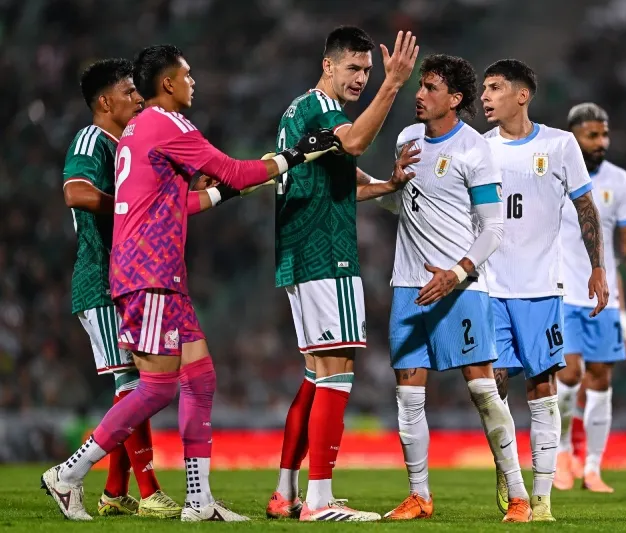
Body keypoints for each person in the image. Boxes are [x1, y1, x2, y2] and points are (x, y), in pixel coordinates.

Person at [41, 44, 338, 522]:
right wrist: (294, 156)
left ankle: (198, 501)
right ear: (168, 84)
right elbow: (235, 170)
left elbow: (181, 204)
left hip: (158, 274)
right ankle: (69, 474)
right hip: (149, 273)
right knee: (156, 388)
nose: (194, 82)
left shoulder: (137, 132)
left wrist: (234, 185)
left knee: (200, 379)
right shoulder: (167, 122)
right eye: (188, 74)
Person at [267, 26, 418, 522]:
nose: (361, 79)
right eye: (353, 69)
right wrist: (393, 85)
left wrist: (387, 185)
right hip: (324, 253)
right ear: (328, 65)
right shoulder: (325, 111)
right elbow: (353, 143)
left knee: (315, 374)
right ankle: (319, 501)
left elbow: (342, 180)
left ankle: (285, 493)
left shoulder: (298, 110)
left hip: (298, 252)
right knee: (338, 371)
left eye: (368, 72)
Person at [377, 54, 529, 523]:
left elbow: (494, 228)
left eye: (429, 88)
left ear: (455, 99)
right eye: (419, 86)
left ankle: (519, 495)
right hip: (408, 284)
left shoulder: (473, 151)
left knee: (483, 390)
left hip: (460, 288)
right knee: (407, 394)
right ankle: (419, 495)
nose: (418, 95)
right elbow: (397, 209)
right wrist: (392, 185)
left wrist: (457, 271)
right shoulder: (407, 139)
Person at [481, 60, 609, 521]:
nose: (484, 96)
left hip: (541, 289)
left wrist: (597, 268)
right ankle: (509, 474)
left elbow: (584, 206)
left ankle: (541, 499)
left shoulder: (560, 144)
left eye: (494, 88)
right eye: (483, 89)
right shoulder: (478, 148)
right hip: (489, 286)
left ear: (522, 95)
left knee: (541, 386)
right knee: (490, 387)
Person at [62, 57, 182, 519]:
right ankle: (148, 491)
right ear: (105, 101)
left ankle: (115, 492)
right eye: (130, 92)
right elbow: (75, 192)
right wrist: (128, 206)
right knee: (135, 385)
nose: (138, 99)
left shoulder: (127, 143)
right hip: (100, 278)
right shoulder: (92, 139)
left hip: (124, 279)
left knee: (130, 384)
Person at [554, 103, 626, 493]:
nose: (602, 142)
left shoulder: (619, 181)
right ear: (573, 136)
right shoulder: (554, 175)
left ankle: (592, 467)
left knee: (601, 380)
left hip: (604, 300)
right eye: (593, 135)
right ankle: (561, 454)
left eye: (604, 134)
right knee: (569, 373)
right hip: (561, 293)